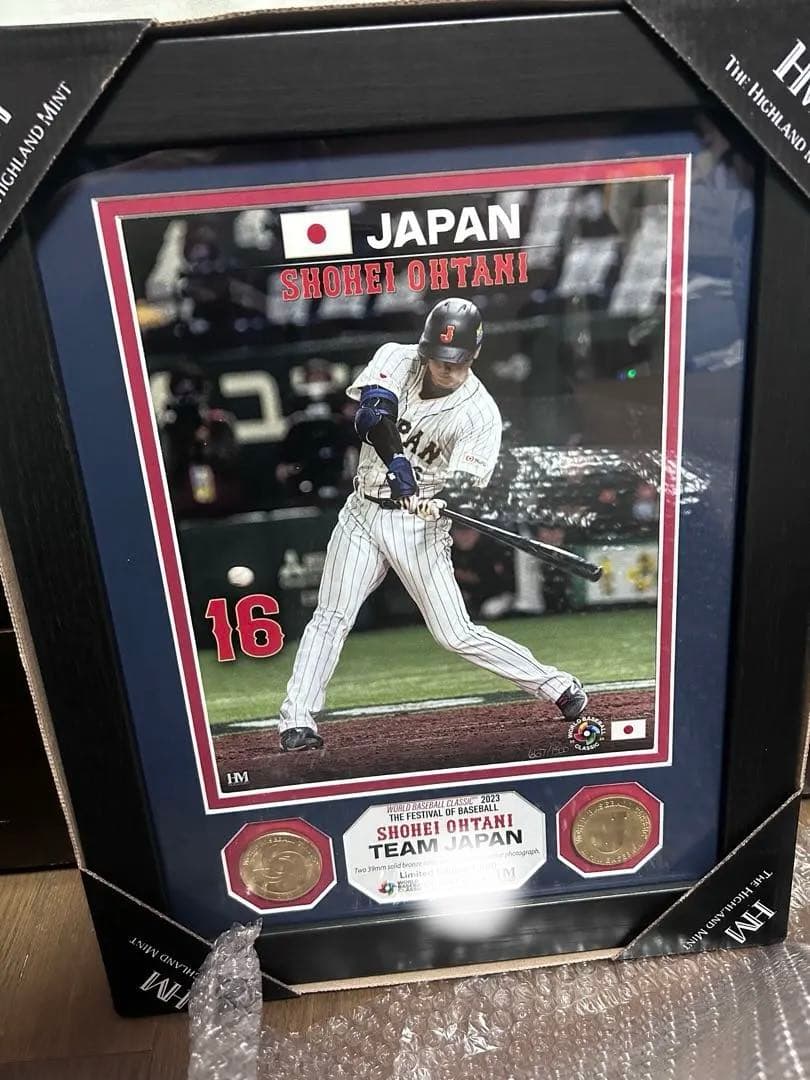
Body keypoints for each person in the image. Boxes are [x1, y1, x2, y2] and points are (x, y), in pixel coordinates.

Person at [277, 298, 588, 751]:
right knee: (331, 616)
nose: (446, 367)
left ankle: (555, 684)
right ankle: (296, 720)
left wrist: (440, 501)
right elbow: (372, 415)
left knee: (454, 633)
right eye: (439, 357)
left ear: (474, 354)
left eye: (457, 360)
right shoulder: (396, 357)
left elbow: (466, 486)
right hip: (362, 512)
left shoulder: (479, 413)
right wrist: (399, 466)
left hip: (419, 526)